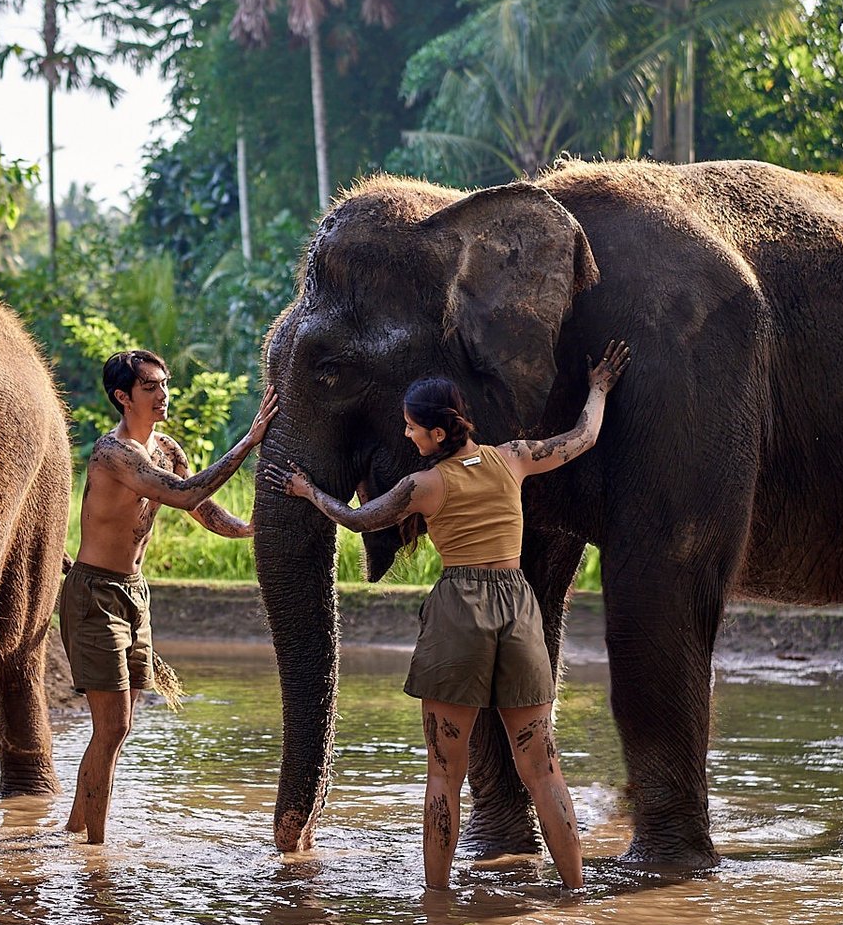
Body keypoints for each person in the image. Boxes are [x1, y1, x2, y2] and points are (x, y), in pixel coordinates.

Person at [276, 342, 632, 893]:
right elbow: (583, 437)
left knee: (445, 772)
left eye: (412, 428)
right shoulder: (512, 457)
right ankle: (575, 892)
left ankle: (436, 901)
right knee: (543, 768)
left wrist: (308, 491)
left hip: (459, 611)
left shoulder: (424, 486)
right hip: (518, 607)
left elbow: (359, 518)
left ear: (438, 433)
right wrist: (600, 388)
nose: (407, 436)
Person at [63, 349, 278, 843]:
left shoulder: (169, 449)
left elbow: (196, 505)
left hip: (136, 594)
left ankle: (76, 829)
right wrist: (249, 442)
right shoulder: (112, 453)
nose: (163, 395)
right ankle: (95, 854)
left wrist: (245, 529)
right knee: (112, 727)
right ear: (123, 397)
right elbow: (181, 495)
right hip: (95, 592)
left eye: (164, 385)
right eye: (150, 388)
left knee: (122, 725)